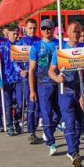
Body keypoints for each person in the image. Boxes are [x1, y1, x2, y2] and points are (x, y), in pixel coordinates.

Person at [49, 21, 84, 166]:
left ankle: (74, 149)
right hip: (66, 91)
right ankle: (73, 152)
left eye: (79, 31)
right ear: (67, 32)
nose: (77, 34)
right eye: (74, 31)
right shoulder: (61, 51)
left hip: (80, 91)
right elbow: (51, 71)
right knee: (70, 123)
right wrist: (57, 78)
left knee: (79, 124)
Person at [28, 18, 61, 156]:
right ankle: (51, 143)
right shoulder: (35, 47)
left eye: (49, 28)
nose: (47, 31)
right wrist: (32, 90)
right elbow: (31, 69)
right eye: (44, 28)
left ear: (54, 29)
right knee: (46, 114)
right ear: (41, 30)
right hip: (43, 85)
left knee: (59, 114)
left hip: (59, 84)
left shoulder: (60, 44)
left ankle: (48, 131)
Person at [0, 25, 24, 135]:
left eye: (17, 33)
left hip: (19, 79)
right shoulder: (2, 46)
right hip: (6, 79)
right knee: (8, 104)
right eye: (13, 33)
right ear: (8, 33)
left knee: (20, 103)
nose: (16, 36)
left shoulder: (21, 46)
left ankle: (16, 120)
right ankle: (10, 125)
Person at [18, 18, 40, 141]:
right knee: (31, 104)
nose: (32, 30)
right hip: (26, 78)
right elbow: (14, 61)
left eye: (34, 28)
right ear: (25, 29)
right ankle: (31, 131)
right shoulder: (20, 43)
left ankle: (34, 129)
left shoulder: (40, 42)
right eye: (30, 28)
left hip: (40, 77)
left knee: (38, 106)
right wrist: (20, 70)